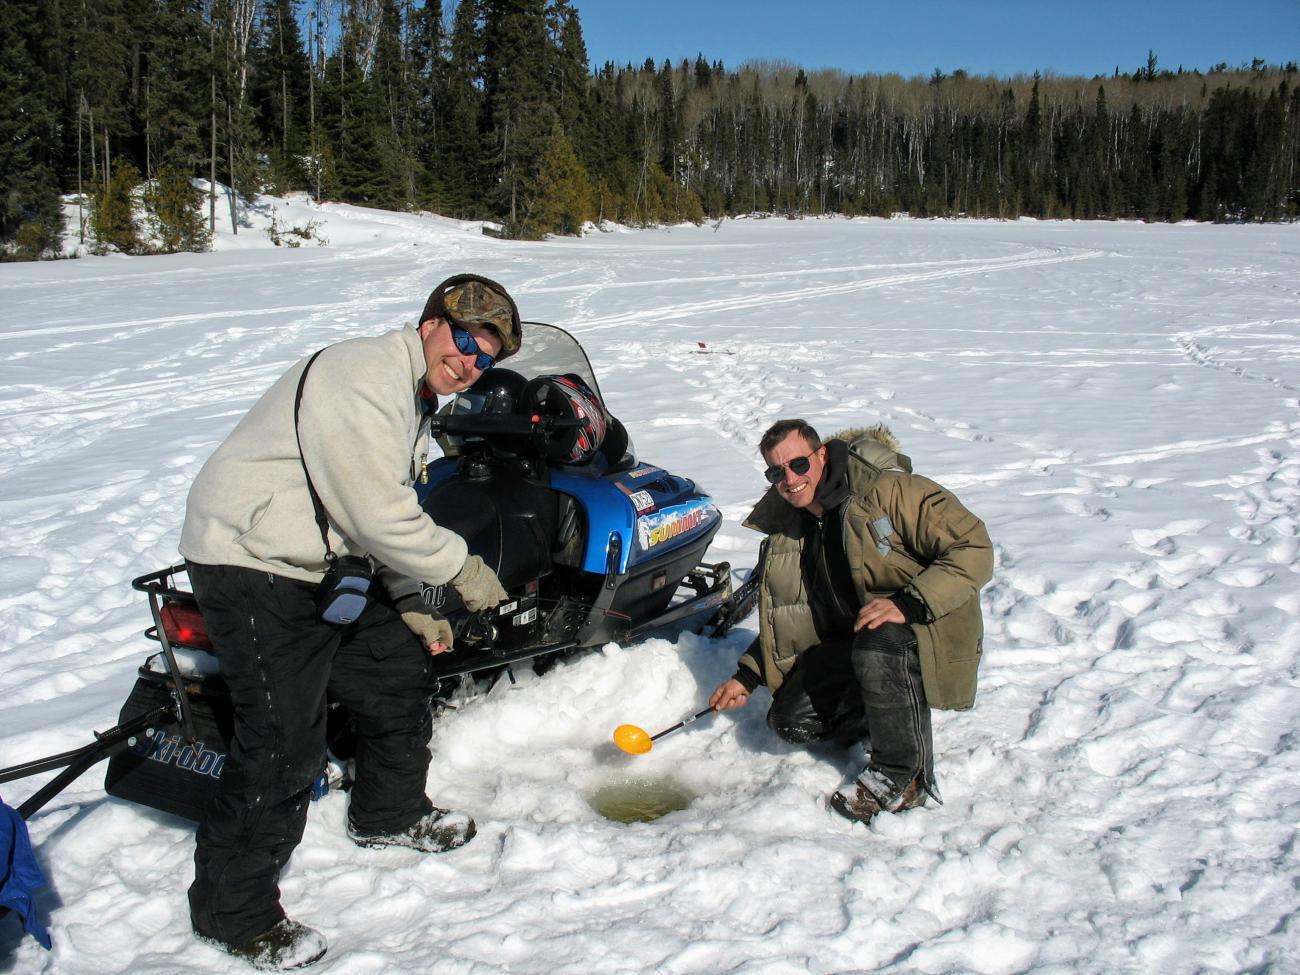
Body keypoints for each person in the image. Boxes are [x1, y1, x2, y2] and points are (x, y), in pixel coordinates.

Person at [177, 274, 521, 970]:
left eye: (484, 357)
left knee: (394, 671)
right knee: (281, 740)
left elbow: (372, 514)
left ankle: (388, 812)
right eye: (463, 340)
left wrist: (411, 601)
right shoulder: (364, 373)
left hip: (318, 564)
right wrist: (459, 570)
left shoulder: (411, 399)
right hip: (252, 560)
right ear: (430, 323)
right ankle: (233, 913)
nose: (468, 363)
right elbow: (377, 513)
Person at [710, 418, 992, 826]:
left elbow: (974, 547)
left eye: (799, 465)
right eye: (777, 472)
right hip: (857, 642)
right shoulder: (792, 529)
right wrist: (748, 676)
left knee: (880, 639)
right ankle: (888, 712)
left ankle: (903, 773)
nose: (789, 479)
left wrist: (910, 603)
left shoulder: (889, 491)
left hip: (926, 626)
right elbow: (790, 616)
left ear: (821, 455)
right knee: (790, 720)